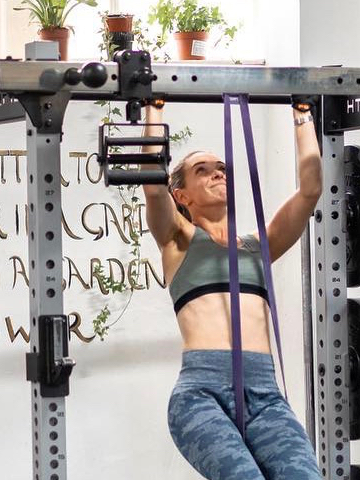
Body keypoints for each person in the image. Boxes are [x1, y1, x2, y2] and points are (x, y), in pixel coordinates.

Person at [142, 101, 323, 479]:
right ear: (182, 196)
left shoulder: (260, 244)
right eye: (202, 170)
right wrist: (152, 107)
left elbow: (310, 191)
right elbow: (153, 186)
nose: (216, 173)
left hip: (264, 392)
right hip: (200, 395)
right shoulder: (178, 240)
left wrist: (302, 114)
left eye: (221, 169)